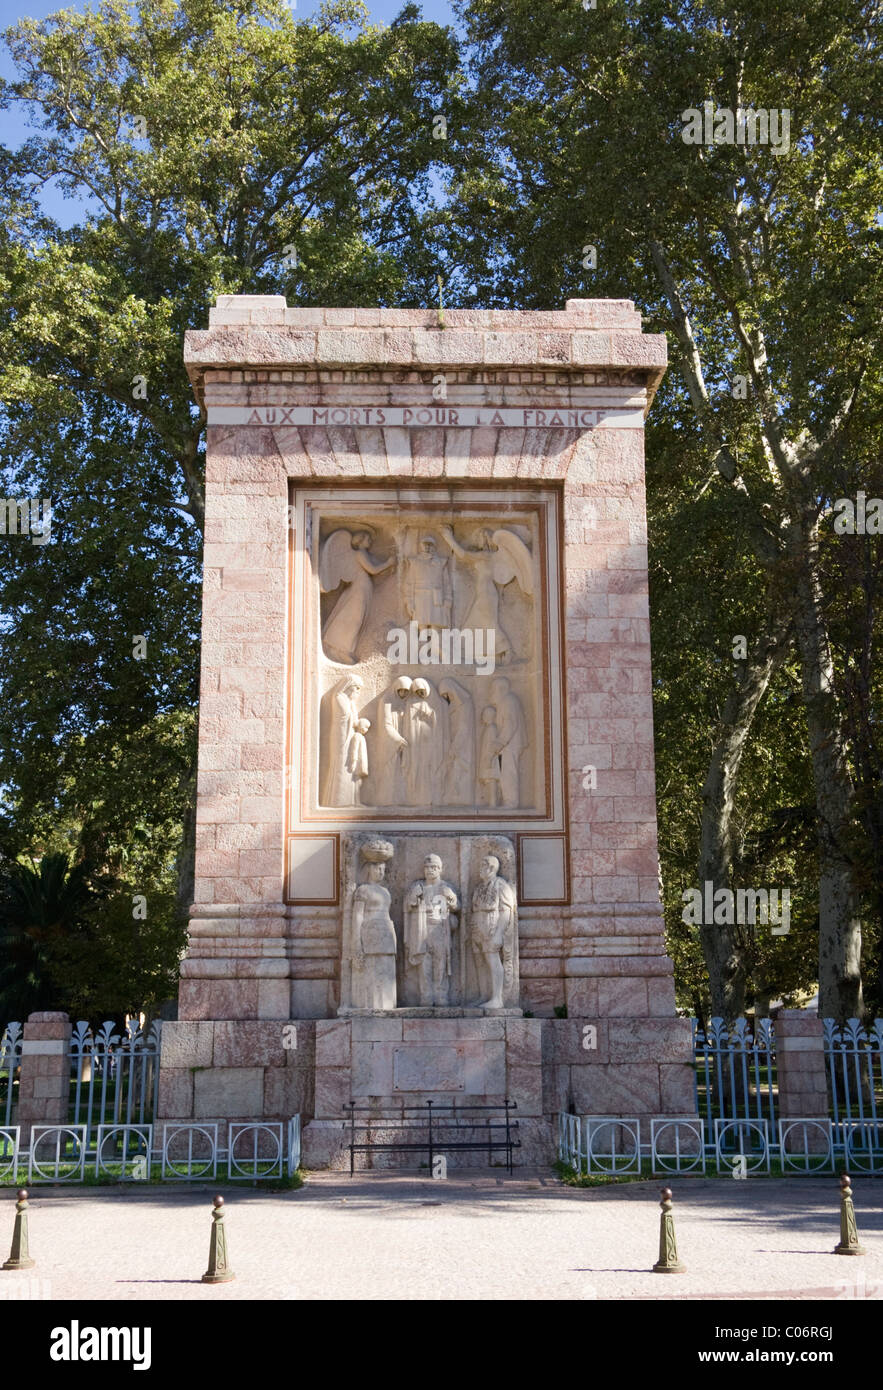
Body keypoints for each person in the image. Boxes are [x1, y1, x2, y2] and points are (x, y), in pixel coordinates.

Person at [404, 853, 459, 1007]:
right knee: (424, 966)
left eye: (434, 867)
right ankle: (426, 996)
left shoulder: (445, 887)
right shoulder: (419, 887)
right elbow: (408, 906)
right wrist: (413, 897)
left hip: (440, 930)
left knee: (440, 965)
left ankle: (441, 995)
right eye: (427, 867)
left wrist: (451, 899)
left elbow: (456, 907)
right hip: (422, 930)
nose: (430, 870)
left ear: (440, 869)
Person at [470, 854, 517, 1010]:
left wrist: (498, 933)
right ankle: (484, 995)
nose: (480, 869)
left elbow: (506, 911)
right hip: (478, 928)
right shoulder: (479, 887)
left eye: (483, 866)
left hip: (492, 926)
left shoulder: (501, 885)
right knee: (480, 962)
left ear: (491, 868)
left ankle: (497, 998)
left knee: (492, 959)